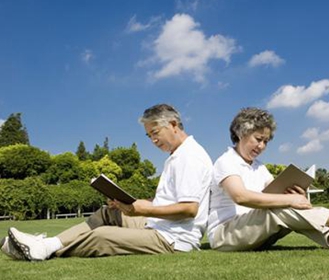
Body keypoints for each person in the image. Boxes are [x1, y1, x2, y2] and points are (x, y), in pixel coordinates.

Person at [1, 104, 213, 261]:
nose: (153, 140)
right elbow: (170, 199)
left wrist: (141, 210)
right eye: (149, 136)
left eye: (155, 133)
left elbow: (188, 209)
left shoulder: (189, 157)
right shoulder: (177, 155)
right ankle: (47, 244)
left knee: (102, 236)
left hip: (174, 239)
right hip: (159, 226)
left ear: (173, 125)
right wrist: (132, 203)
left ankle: (41, 250)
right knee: (108, 213)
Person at [207, 107, 329, 252]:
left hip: (257, 231)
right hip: (225, 235)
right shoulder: (226, 161)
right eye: (258, 139)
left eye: (266, 141)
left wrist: (296, 194)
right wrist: (289, 199)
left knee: (284, 205)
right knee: (277, 209)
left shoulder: (260, 167)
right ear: (241, 133)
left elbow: (275, 193)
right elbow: (241, 197)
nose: (262, 146)